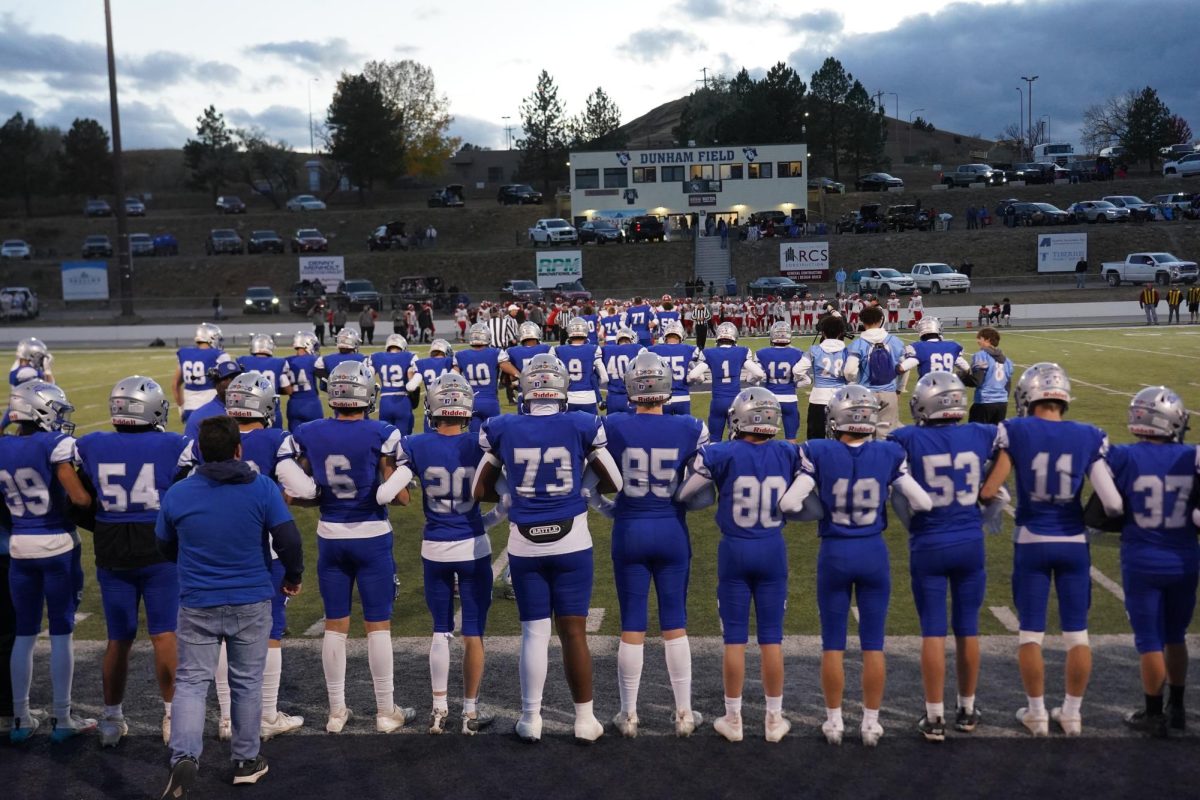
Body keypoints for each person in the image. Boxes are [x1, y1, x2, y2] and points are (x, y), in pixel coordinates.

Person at [473, 355, 621, 743]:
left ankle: (530, 719)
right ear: (562, 387)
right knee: (574, 632)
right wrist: (584, 488)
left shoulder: (502, 426)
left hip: (525, 539)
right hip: (572, 537)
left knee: (534, 633)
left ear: (526, 388)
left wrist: (511, 494)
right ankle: (585, 720)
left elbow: (479, 488)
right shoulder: (581, 422)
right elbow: (614, 478)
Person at [155, 416, 304, 796]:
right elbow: (288, 538)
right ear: (239, 449)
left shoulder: (179, 493)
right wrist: (293, 576)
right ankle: (244, 760)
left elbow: (164, 544)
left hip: (198, 601)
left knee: (191, 683)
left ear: (201, 451)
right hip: (250, 598)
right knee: (246, 683)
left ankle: (184, 757)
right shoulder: (262, 487)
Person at [980, 363, 1122, 737]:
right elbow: (1112, 502)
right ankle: (1072, 714)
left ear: (1028, 397)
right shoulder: (1088, 435)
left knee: (1031, 635)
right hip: (1074, 541)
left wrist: (989, 502)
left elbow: (990, 488)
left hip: (1032, 540)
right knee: (1078, 635)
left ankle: (1037, 713)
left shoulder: (1016, 430)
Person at [791, 385, 933, 746]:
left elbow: (790, 502)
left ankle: (834, 722)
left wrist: (820, 510)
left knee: (833, 645)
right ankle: (871, 723)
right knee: (873, 645)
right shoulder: (888, 452)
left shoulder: (819, 451)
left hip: (835, 552)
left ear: (835, 418)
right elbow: (923, 502)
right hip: (873, 551)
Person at [293, 361, 415, 735]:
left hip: (331, 535)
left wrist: (322, 495)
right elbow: (403, 499)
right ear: (367, 395)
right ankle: (384, 711)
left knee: (335, 625)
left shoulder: (309, 433)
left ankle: (335, 712)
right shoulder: (381, 432)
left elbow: (298, 491)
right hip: (372, 536)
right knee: (377, 625)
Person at [676, 388, 802, 743]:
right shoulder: (789, 452)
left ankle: (734, 721)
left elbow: (686, 494)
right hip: (772, 548)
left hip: (734, 550)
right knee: (771, 640)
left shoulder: (722, 453)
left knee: (734, 639)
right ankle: (773, 721)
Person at [593, 354, 707, 737]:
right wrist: (682, 500)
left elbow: (587, 480)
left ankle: (628, 715)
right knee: (675, 622)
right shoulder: (691, 427)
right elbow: (702, 484)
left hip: (630, 528)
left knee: (632, 625)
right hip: (671, 528)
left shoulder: (611, 425)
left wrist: (605, 508)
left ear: (631, 388)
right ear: (666, 387)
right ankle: (684, 713)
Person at [74, 377, 189, 747]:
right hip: (157, 547)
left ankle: (111, 719)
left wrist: (104, 523)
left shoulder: (91, 444)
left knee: (118, 639)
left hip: (112, 548)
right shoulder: (174, 444)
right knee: (164, 633)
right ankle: (171, 717)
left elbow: (76, 497)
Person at [889, 373, 1003, 741]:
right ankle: (967, 709)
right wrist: (991, 488)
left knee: (933, 631)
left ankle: (935, 716)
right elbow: (1011, 445)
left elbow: (892, 477)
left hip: (929, 541)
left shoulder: (907, 437)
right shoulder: (981, 434)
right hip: (970, 538)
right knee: (968, 627)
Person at [393, 373, 506, 735]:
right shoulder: (481, 445)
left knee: (441, 630)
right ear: (466, 409)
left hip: (435, 546)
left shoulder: (414, 444)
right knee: (473, 633)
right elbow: (506, 497)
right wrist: (486, 521)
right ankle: (469, 713)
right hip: (472, 543)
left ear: (433, 408)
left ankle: (438, 710)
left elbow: (396, 493)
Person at [2, 382, 95, 744]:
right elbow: (80, 498)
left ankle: (21, 718)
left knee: (24, 633)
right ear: (40, 410)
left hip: (18, 547)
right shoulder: (54, 445)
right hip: (56, 544)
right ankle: (62, 716)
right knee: (60, 632)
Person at [1102, 387, 1197, 737]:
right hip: (1184, 557)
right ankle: (1179, 708)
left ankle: (1153, 713)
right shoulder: (1193, 456)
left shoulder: (1123, 456)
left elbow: (1105, 504)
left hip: (1142, 558)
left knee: (1150, 639)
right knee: (1176, 635)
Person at [688, 322, 765, 441]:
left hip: (717, 401)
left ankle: (715, 460)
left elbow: (693, 375)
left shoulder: (709, 353)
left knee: (714, 438)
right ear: (734, 336)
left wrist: (700, 380)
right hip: (735, 402)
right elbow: (759, 373)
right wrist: (751, 380)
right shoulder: (741, 351)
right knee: (736, 438)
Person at [843, 306, 906, 438]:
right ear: (881, 319)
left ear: (861, 321)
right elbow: (904, 368)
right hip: (889, 392)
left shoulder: (858, 344)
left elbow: (849, 371)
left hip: (865, 394)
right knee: (887, 435)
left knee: (864, 435)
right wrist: (899, 389)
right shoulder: (895, 341)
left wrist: (854, 383)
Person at [455, 322, 519, 430]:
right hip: (490, 401)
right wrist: (520, 376)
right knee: (493, 436)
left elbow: (453, 376)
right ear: (487, 336)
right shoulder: (496, 352)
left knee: (474, 436)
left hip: (470, 402)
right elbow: (507, 367)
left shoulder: (460, 355)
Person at [797, 313, 849, 441]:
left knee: (815, 439)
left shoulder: (814, 350)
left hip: (818, 398)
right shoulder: (849, 351)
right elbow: (853, 373)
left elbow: (797, 370)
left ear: (823, 332)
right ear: (841, 332)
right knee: (842, 439)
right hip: (842, 398)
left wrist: (807, 379)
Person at [172, 323, 233, 424]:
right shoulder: (218, 355)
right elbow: (228, 385)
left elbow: (175, 385)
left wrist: (181, 408)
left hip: (190, 409)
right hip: (212, 408)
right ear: (210, 338)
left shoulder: (185, 353)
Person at [756, 322, 805, 440]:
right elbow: (807, 380)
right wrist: (795, 384)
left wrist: (763, 384)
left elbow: (753, 378)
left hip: (769, 398)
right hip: (790, 398)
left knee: (764, 439)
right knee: (791, 439)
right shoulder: (798, 353)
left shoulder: (761, 353)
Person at [551, 318, 609, 414]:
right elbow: (604, 378)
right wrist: (593, 382)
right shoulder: (594, 349)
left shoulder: (557, 350)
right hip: (588, 397)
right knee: (590, 427)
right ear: (585, 331)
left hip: (567, 397)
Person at [236, 335, 294, 430]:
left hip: (249, 410)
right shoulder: (279, 363)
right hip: (272, 411)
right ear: (270, 347)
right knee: (275, 441)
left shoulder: (242, 361)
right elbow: (288, 390)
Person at [183, 361, 244, 442]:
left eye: (235, 377)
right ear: (215, 384)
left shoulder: (255, 410)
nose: (232, 382)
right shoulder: (199, 417)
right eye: (225, 378)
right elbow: (190, 451)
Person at [370, 334, 418, 436]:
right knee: (403, 439)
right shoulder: (409, 356)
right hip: (402, 401)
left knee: (386, 438)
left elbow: (368, 375)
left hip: (385, 402)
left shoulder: (377, 357)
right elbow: (412, 379)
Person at [649, 320, 698, 416]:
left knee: (664, 429)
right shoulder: (689, 349)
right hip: (682, 396)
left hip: (662, 397)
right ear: (681, 336)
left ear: (665, 337)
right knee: (684, 429)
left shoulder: (653, 349)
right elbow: (697, 373)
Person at [898, 317, 970, 381]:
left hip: (927, 390)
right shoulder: (952, 347)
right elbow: (967, 369)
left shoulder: (919, 347)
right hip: (948, 390)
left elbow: (901, 369)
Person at [967, 327, 1013, 423]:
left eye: (980, 338)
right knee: (995, 435)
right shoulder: (1008, 361)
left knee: (978, 435)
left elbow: (977, 380)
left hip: (984, 402)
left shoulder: (981, 355)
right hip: (1002, 404)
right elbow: (1008, 385)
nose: (978, 341)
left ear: (987, 340)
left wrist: (961, 377)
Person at [284, 332, 324, 432]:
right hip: (311, 403)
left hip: (293, 404)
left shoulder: (286, 361)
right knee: (317, 437)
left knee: (294, 439)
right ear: (307, 345)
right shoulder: (313, 360)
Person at [600, 327, 645, 416]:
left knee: (611, 427)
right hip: (631, 396)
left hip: (612, 397)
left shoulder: (606, 349)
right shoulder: (638, 348)